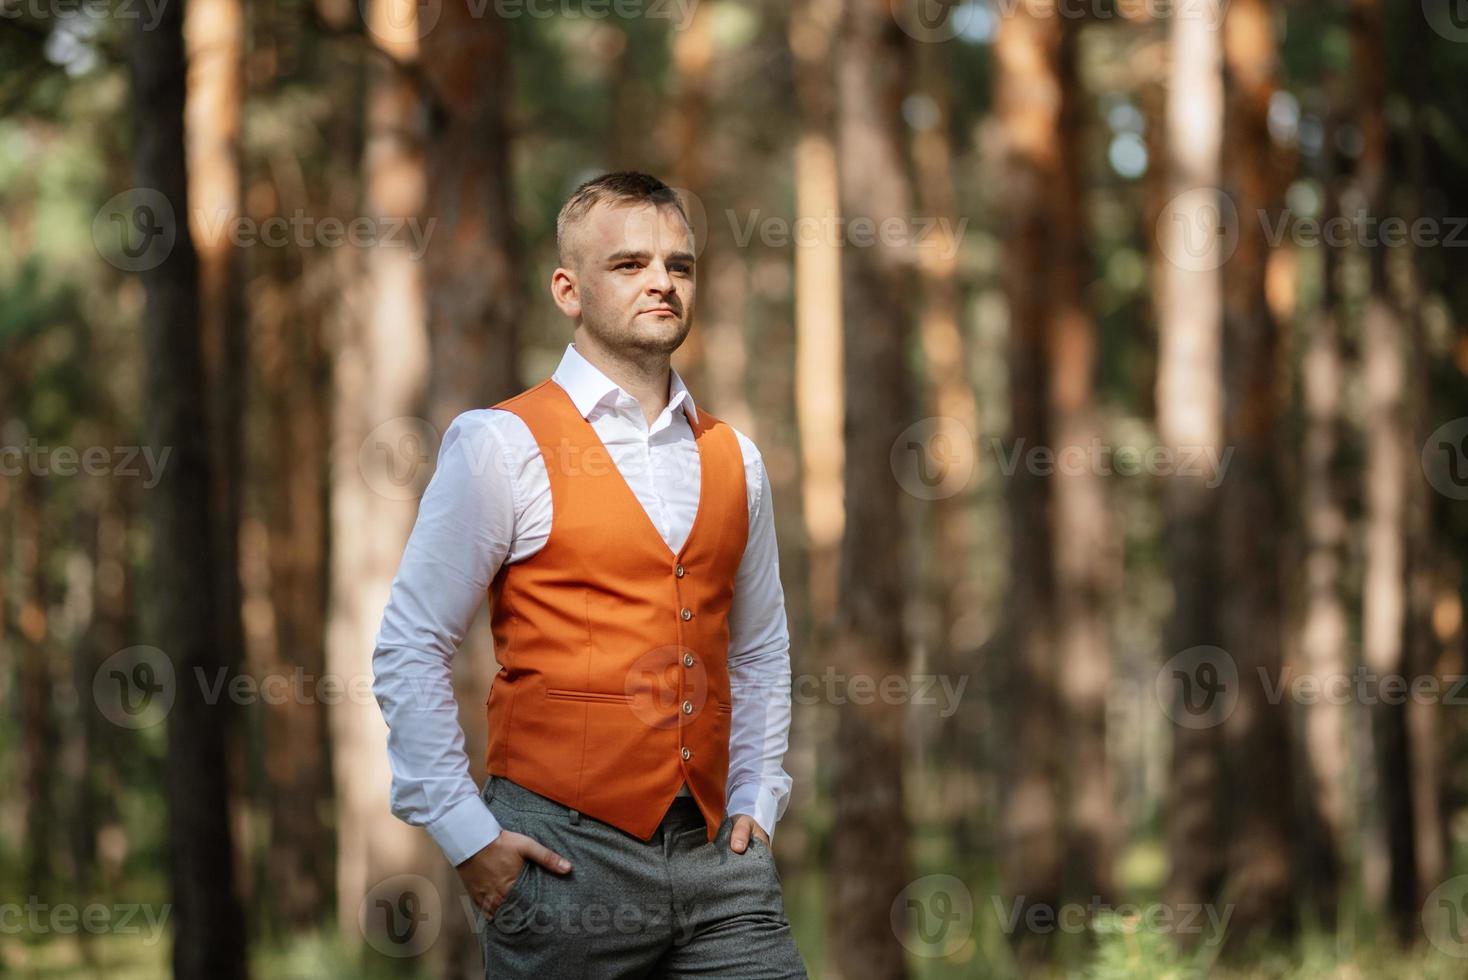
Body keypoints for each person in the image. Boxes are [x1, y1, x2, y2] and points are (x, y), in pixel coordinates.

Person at [372, 171, 807, 977]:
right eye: (630, 264)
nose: (661, 283)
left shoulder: (735, 458)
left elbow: (759, 649)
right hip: (560, 859)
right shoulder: (501, 443)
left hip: (722, 861)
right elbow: (410, 645)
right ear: (568, 290)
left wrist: (757, 796)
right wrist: (468, 839)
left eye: (679, 265)